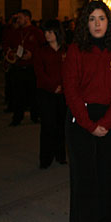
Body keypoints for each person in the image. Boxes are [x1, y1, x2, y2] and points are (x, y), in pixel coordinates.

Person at [62, 0, 111, 222]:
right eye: (92, 19)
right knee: (84, 180)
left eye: (101, 18)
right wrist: (89, 125)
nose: (97, 24)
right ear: (85, 23)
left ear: (108, 22)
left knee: (106, 176)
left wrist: (108, 122)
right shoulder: (76, 50)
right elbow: (71, 89)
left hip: (110, 119)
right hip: (81, 120)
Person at [34, 19, 67, 169]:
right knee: (48, 126)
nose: (46, 35)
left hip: (64, 94)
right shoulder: (41, 51)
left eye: (49, 32)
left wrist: (63, 86)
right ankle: (45, 158)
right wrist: (53, 86)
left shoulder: (66, 50)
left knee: (61, 126)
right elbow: (39, 73)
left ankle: (60, 155)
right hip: (46, 93)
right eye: (45, 32)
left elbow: (71, 71)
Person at [5, 9, 44, 126]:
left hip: (32, 68)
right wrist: (11, 54)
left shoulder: (36, 32)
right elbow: (8, 45)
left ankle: (35, 116)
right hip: (18, 67)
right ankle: (17, 117)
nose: (18, 20)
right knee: (18, 94)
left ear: (27, 18)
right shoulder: (16, 32)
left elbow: (43, 49)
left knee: (33, 94)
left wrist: (33, 54)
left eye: (20, 18)